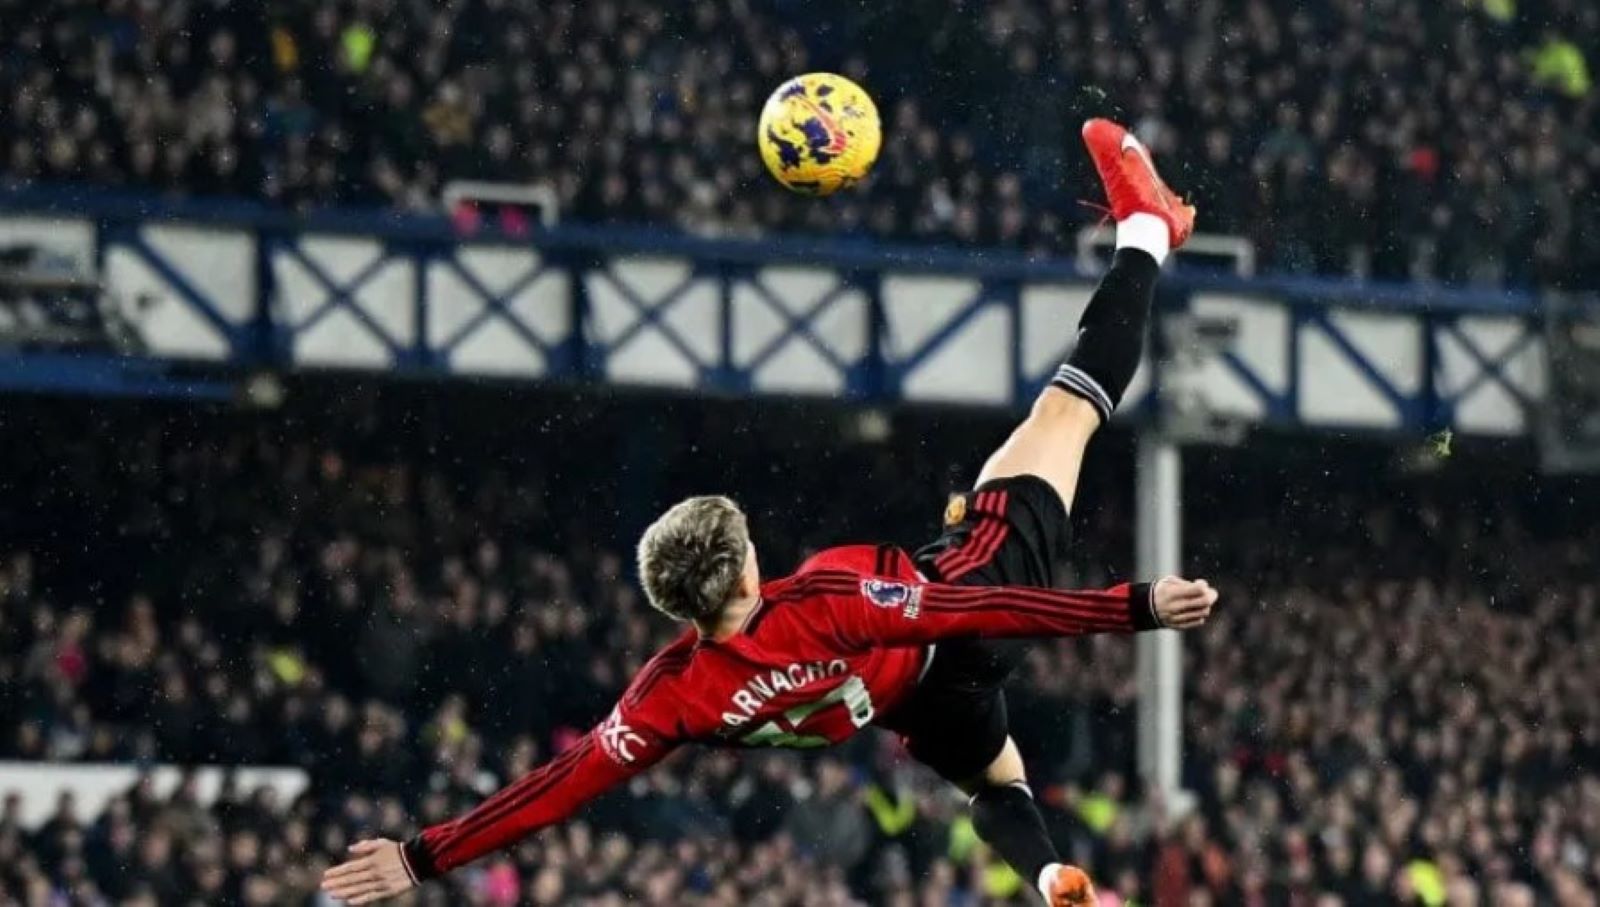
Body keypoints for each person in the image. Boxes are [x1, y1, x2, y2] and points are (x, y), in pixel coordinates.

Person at [321, 118, 1206, 906]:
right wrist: (1132, 606)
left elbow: (560, 785)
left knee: (993, 785)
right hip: (965, 606)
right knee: (1068, 410)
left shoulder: (672, 695)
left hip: (923, 708)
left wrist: (423, 854)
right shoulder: (825, 597)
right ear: (747, 563)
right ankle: (1147, 231)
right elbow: (974, 609)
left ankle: (1051, 876)